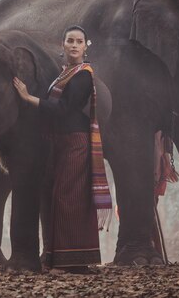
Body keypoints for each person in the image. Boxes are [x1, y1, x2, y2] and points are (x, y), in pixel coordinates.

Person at [13, 25, 112, 274]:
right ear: (63, 44)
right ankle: (55, 258)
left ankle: (73, 262)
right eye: (70, 40)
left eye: (80, 41)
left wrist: (28, 98)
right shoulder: (64, 74)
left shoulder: (82, 76)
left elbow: (64, 110)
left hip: (75, 142)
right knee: (55, 196)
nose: (75, 45)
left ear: (86, 46)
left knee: (67, 198)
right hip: (60, 141)